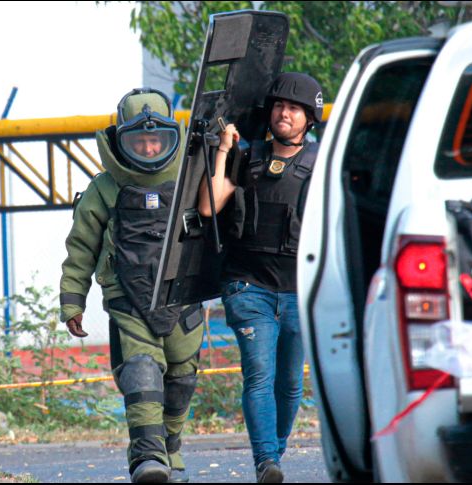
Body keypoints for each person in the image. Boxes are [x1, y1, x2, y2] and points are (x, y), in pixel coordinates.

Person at [60, 88, 204, 484]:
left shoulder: (192, 176)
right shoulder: (104, 188)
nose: (148, 146)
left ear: (171, 137)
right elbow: (81, 247)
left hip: (183, 291)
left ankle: (169, 449)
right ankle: (147, 458)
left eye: (156, 138)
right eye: (138, 139)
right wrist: (72, 300)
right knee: (141, 372)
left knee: (181, 376)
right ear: (121, 139)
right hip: (127, 295)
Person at [197, 72, 323, 483]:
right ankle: (265, 461)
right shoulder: (246, 156)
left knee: (289, 385)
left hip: (298, 290)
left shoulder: (322, 163)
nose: (284, 113)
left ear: (310, 117)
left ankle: (274, 456)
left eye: (294, 108)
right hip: (247, 285)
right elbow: (208, 207)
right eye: (279, 106)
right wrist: (223, 152)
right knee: (259, 374)